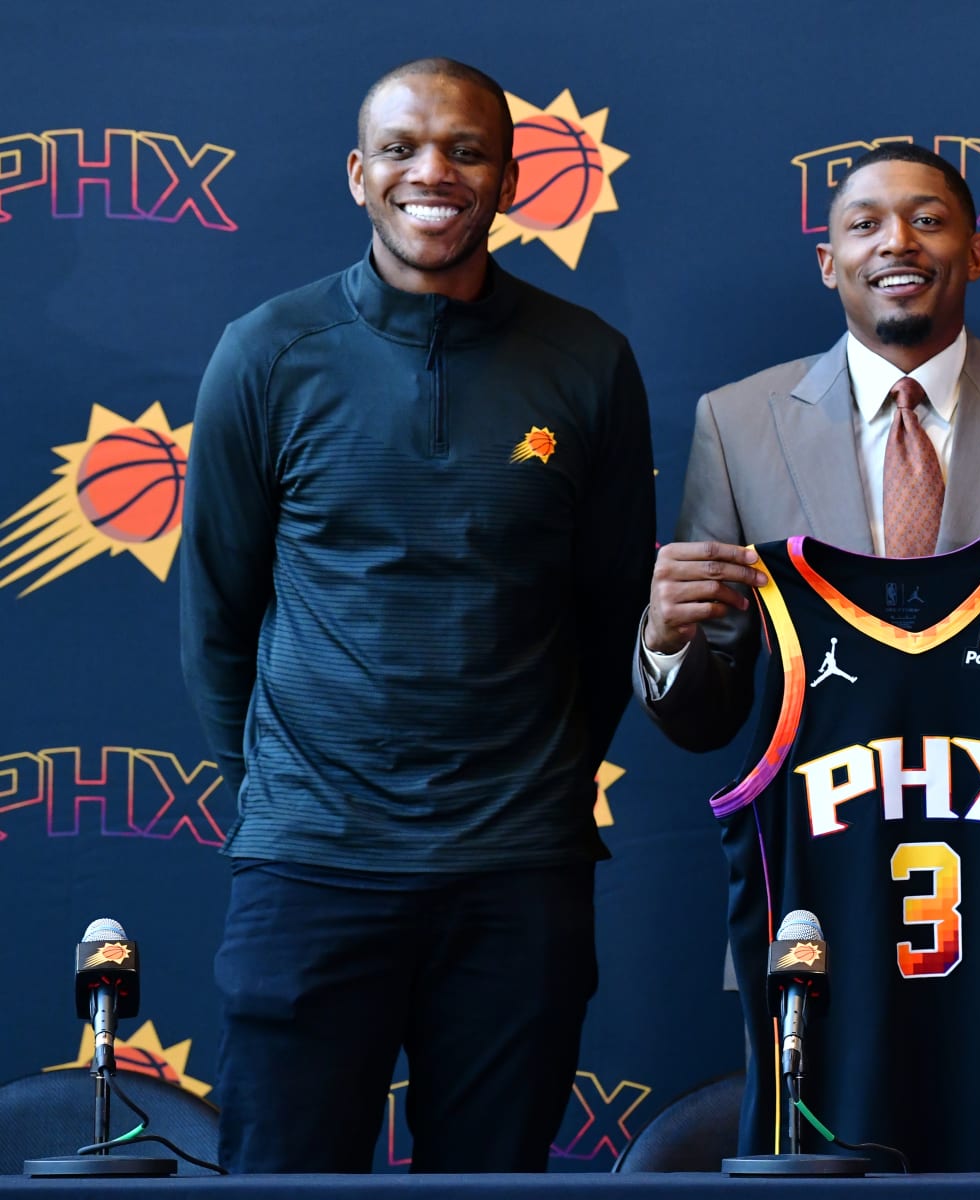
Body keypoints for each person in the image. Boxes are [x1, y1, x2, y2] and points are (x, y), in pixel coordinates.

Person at [633, 143, 980, 1170]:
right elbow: (712, 710)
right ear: (828, 259)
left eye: (929, 219)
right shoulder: (736, 423)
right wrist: (667, 645)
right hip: (817, 877)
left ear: (975, 250)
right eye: (866, 223)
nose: (898, 241)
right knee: (815, 1165)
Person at [179, 57, 654, 1173]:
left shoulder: (589, 362)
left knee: (491, 1184)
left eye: (466, 150)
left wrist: (531, 781)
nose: (432, 172)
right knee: (285, 1181)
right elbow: (217, 613)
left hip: (519, 871)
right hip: (312, 866)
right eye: (401, 149)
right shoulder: (266, 353)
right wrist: (293, 793)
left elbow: (610, 613)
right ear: (359, 174)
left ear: (509, 176)